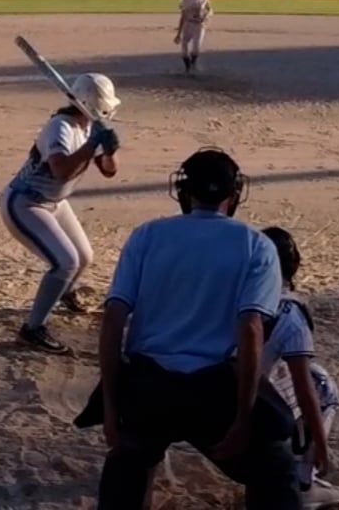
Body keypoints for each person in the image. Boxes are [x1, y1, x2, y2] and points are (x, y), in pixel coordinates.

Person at [90, 147, 300, 510]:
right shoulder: (256, 245)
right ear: (235, 194)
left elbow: (113, 319)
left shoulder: (147, 235)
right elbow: (250, 330)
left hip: (149, 384)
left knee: (129, 459)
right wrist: (243, 416)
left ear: (184, 191)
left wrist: (110, 406)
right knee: (275, 464)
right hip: (214, 387)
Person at [1, 72, 122, 355]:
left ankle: (64, 291)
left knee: (84, 257)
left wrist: (110, 150)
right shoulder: (60, 127)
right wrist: (92, 145)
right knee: (65, 262)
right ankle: (32, 329)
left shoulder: (89, 127)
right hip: (25, 203)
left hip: (55, 202)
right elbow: (62, 171)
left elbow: (109, 171)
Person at [259, 227, 339, 507]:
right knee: (321, 385)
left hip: (199, 385)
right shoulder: (290, 310)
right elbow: (303, 387)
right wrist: (321, 444)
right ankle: (303, 481)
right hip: (243, 402)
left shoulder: (231, 292)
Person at [176, 0, 214, 74]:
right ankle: (187, 67)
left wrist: (206, 16)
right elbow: (183, 15)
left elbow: (210, 10)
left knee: (196, 48)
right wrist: (178, 34)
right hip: (188, 24)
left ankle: (193, 64)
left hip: (199, 25)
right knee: (184, 47)